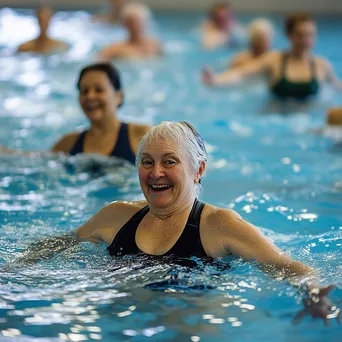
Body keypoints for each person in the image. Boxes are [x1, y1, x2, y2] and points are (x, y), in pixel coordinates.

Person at [9, 121, 340, 325]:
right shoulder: (115, 216)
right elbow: (59, 244)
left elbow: (287, 266)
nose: (155, 174)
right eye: (147, 162)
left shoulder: (220, 225)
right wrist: (11, 271)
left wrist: (314, 297)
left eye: (170, 162)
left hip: (189, 327)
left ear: (198, 171)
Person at [0, 63, 150, 164]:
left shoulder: (141, 136)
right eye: (84, 91)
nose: (90, 97)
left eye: (99, 90)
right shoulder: (69, 143)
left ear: (119, 96)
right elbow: (30, 159)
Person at [202, 13, 342, 101]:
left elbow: (336, 87)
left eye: (310, 34)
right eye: (300, 35)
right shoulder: (274, 59)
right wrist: (216, 80)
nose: (306, 40)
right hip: (275, 116)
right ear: (289, 35)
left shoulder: (321, 65)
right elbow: (241, 73)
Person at [98, 2, 163, 60]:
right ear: (125, 25)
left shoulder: (155, 46)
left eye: (140, 22)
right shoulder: (115, 50)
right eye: (132, 23)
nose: (136, 26)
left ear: (147, 23)